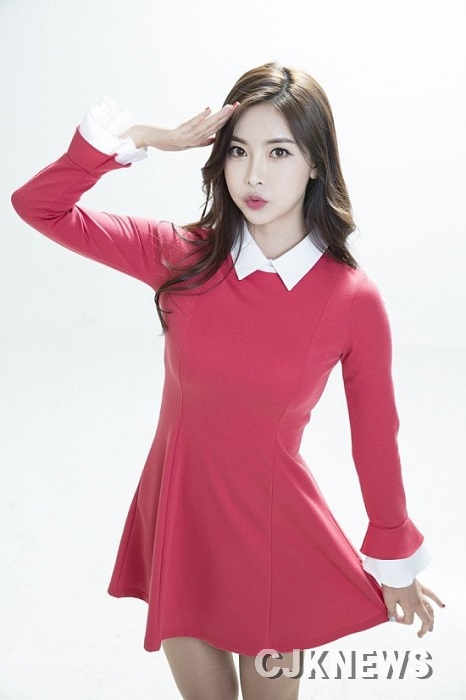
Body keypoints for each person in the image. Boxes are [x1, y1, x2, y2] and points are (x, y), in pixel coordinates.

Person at [11, 62, 445, 700]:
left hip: (274, 533)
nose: (254, 174)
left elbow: (376, 439)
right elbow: (38, 206)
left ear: (316, 163)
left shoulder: (352, 298)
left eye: (279, 152)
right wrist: (144, 138)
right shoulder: (180, 255)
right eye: (238, 151)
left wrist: (394, 557)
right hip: (181, 520)